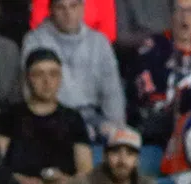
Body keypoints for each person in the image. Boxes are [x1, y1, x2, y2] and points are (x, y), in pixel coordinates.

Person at [0, 48, 92, 184]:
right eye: (39, 74)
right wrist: (17, 180)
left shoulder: (73, 118)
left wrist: (67, 182)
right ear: (27, 78)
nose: (47, 82)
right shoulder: (10, 115)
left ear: (60, 78)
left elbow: (85, 171)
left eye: (53, 74)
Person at [22, 0, 126, 136]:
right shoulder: (35, 40)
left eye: (73, 6)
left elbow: (112, 92)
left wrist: (116, 128)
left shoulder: (99, 41)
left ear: (82, 8)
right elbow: (29, 89)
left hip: (92, 117)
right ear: (51, 10)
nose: (68, 13)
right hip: (50, 117)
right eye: (61, 7)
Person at [130, 0, 191, 141]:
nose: (185, 16)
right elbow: (146, 93)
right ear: (171, 16)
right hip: (157, 129)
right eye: (179, 10)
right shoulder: (153, 47)